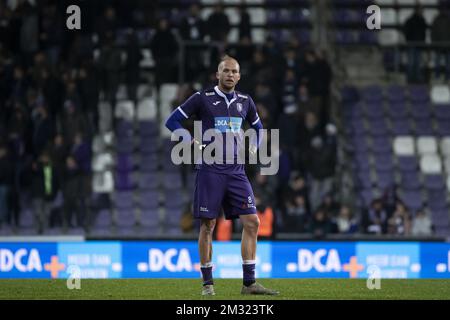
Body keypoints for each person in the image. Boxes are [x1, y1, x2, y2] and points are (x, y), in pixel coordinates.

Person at [165, 56, 278, 296]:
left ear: (239, 76)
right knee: (208, 225)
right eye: (225, 71)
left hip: (237, 171)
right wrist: (188, 139)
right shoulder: (202, 98)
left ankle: (249, 284)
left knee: (253, 221)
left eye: (234, 71)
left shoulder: (246, 101)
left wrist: (255, 146)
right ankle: (207, 284)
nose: (230, 75)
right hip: (210, 169)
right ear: (218, 74)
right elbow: (172, 120)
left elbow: (258, 129)